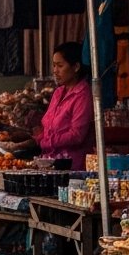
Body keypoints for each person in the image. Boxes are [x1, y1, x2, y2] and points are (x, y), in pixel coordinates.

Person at [36, 41, 94, 169]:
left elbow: (77, 135)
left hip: (72, 166)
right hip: (50, 162)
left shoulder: (82, 95)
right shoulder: (58, 92)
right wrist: (37, 138)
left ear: (76, 67)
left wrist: (47, 142)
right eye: (54, 65)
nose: (55, 71)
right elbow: (49, 126)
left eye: (60, 66)